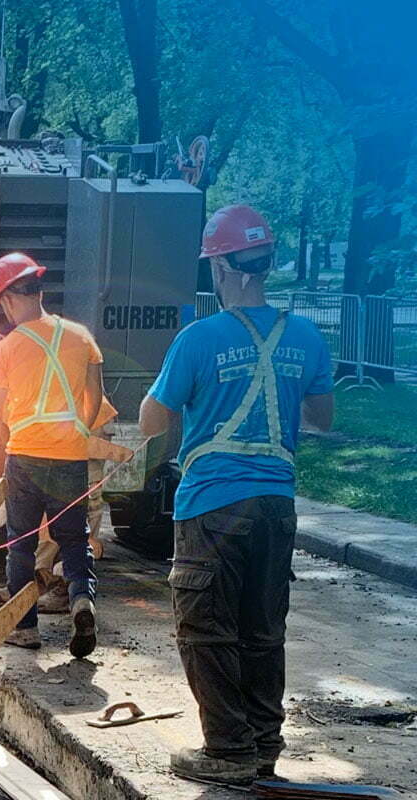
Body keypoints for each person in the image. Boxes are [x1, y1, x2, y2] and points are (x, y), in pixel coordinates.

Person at [138, 205, 334, 786]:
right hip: (277, 503)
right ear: (266, 264)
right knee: (261, 628)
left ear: (223, 265)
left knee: (205, 627)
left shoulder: (199, 338)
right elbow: (320, 418)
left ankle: (226, 751)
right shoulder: (305, 336)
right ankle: (262, 745)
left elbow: (152, 420)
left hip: (213, 505)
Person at [0, 252, 103, 657]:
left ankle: (26, 628)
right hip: (69, 457)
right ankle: (81, 599)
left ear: (7, 301)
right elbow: (95, 399)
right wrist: (75, 435)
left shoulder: (4, 351)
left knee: (21, 544)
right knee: (73, 539)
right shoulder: (81, 336)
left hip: (25, 457)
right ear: (39, 290)